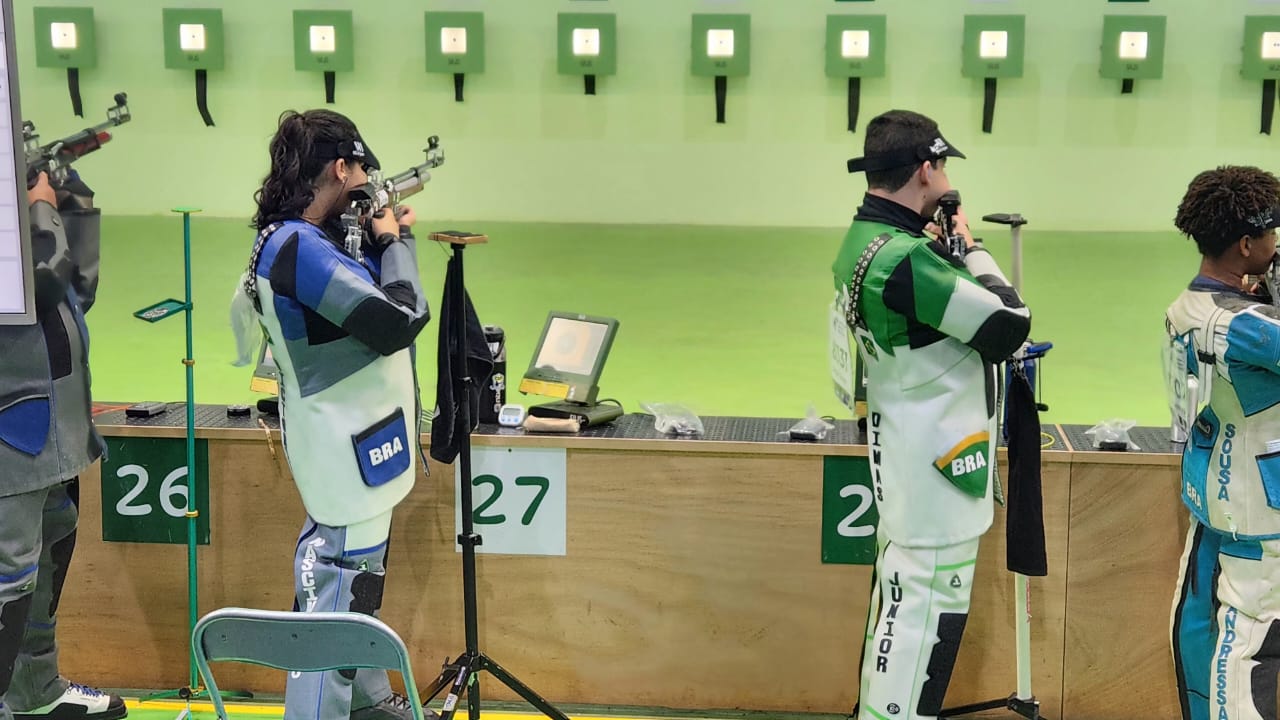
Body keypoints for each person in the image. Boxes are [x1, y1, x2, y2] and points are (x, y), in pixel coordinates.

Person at [831, 109, 1031, 720]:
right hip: (939, 474)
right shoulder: (905, 260)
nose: (946, 183)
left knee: (900, 608)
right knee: (922, 620)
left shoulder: (865, 240)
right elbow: (1010, 324)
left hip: (908, 457)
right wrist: (973, 247)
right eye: (942, 169)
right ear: (925, 169)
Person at [236, 109, 433, 720]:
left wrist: (381, 238)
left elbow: (360, 303)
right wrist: (394, 242)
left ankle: (367, 703)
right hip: (343, 448)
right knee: (339, 593)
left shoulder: (309, 239)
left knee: (358, 583)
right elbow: (397, 320)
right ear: (341, 168)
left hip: (363, 440)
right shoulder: (296, 247)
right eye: (362, 173)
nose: (367, 186)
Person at [0, 171, 124, 720]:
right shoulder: (19, 228)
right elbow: (45, 283)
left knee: (51, 550)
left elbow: (77, 289)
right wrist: (42, 209)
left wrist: (77, 205)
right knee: (8, 576)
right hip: (12, 436)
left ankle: (35, 688)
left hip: (53, 432)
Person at [1165, 165, 1280, 720]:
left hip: (1211, 493)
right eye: (1271, 233)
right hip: (1260, 517)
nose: (1276, 243)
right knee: (1247, 649)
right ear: (1246, 245)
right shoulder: (1250, 327)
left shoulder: (1189, 306)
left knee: (1198, 630)